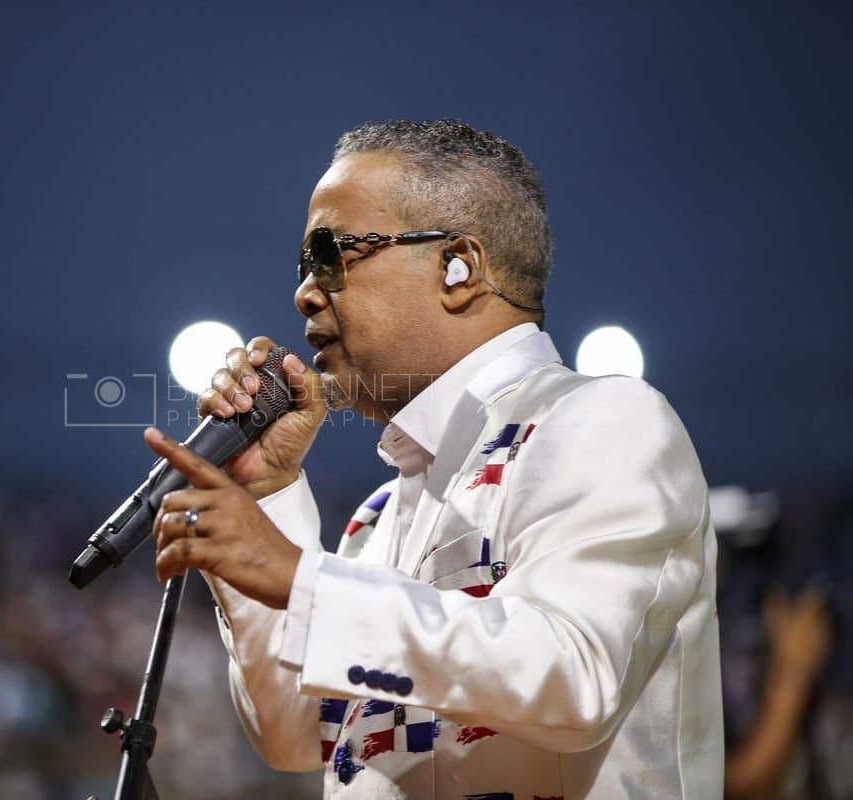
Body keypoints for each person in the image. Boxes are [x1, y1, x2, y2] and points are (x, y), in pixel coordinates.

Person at [142, 119, 723, 798]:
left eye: (331, 255)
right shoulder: (378, 517)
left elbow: (575, 673)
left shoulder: (604, 421)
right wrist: (268, 495)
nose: (305, 291)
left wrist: (303, 582)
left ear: (460, 268)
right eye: (303, 266)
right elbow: (296, 735)